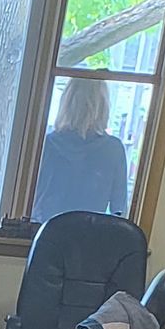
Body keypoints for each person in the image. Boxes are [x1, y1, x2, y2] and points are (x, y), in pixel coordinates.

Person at [31, 73, 130, 222]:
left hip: (46, 233)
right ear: (103, 106)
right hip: (90, 237)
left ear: (66, 102)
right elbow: (119, 210)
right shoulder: (114, 150)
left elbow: (34, 201)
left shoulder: (46, 145)